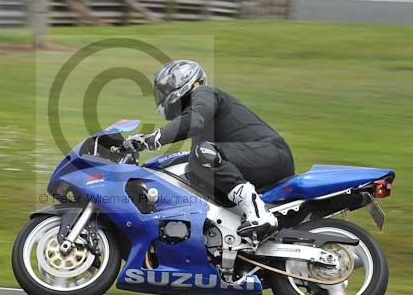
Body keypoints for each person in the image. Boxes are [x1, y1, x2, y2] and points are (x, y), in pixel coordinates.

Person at [123, 60, 295, 237]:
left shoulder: (205, 94)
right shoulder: (203, 129)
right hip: (258, 158)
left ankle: (260, 214)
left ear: (184, 82)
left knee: (201, 154)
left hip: (271, 153)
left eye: (164, 90)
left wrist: (154, 138)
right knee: (195, 163)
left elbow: (194, 120)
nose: (162, 96)